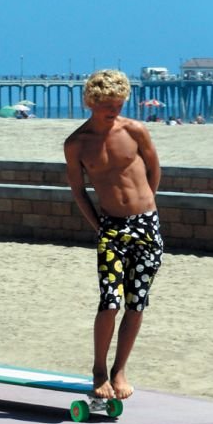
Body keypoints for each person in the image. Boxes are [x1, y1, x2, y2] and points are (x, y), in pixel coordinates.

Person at [64, 69, 163, 401]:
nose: (114, 110)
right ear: (92, 102)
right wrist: (100, 226)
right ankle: (99, 370)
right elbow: (79, 191)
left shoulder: (135, 130)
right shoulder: (77, 143)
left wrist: (146, 207)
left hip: (146, 225)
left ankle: (120, 369)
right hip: (111, 228)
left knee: (136, 303)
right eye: (108, 104)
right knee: (110, 301)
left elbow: (153, 168)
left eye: (119, 104)